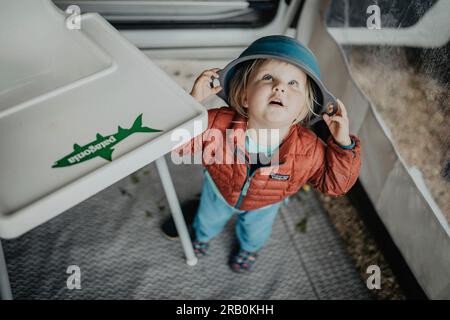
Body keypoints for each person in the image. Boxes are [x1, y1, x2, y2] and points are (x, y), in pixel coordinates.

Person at [171, 35, 361, 273]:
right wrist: (193, 104)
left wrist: (342, 144)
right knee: (207, 219)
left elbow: (335, 185)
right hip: (218, 190)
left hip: (265, 203)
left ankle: (249, 248)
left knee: (255, 231)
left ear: (301, 110)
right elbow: (179, 145)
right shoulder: (218, 124)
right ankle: (201, 236)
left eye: (293, 84)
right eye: (268, 77)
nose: (280, 87)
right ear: (244, 97)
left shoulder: (308, 150)